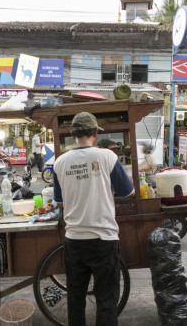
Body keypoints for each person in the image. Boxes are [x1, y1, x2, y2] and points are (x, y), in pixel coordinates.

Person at [53, 112, 134, 325]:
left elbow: (59, 201)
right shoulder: (107, 156)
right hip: (103, 240)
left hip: (74, 240)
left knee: (75, 298)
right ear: (95, 133)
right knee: (106, 299)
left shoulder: (60, 162)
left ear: (73, 135)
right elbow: (127, 192)